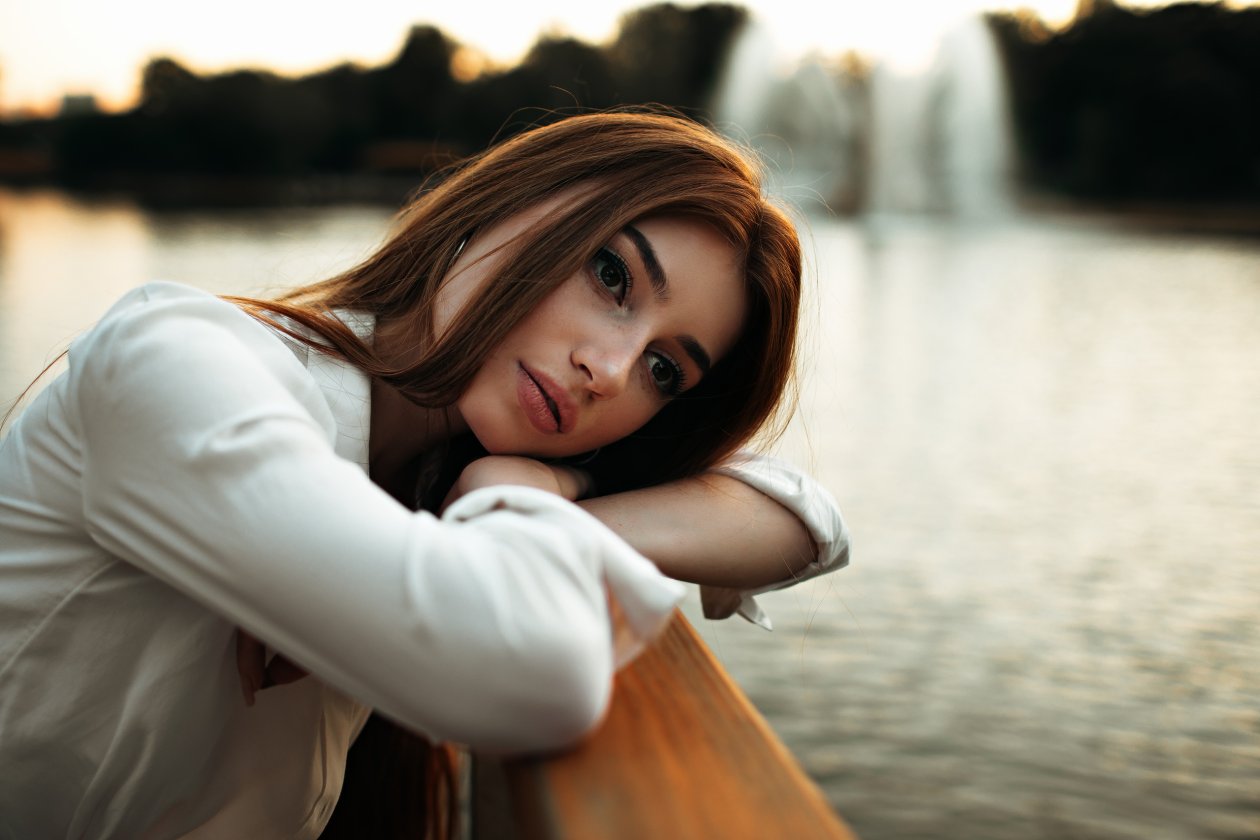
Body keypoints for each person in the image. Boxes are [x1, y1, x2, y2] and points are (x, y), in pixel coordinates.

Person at [0, 111, 848, 839]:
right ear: (509, 204)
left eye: (667, 371)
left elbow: (803, 517)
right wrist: (507, 505)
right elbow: (535, 670)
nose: (613, 370)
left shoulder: (419, 486)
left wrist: (551, 497)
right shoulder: (176, 360)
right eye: (612, 274)